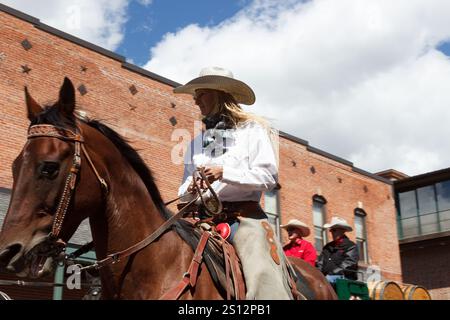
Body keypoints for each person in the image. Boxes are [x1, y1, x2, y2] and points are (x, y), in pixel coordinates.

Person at [174, 66, 293, 300]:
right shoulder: (196, 142)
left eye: (202, 94)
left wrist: (224, 172)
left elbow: (269, 177)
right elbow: (183, 189)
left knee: (262, 277)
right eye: (195, 95)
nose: (196, 101)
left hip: (244, 220)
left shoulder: (252, 131)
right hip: (199, 220)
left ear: (220, 94)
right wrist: (189, 189)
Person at [316, 216, 359, 286]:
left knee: (326, 281)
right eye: (331, 230)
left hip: (345, 278)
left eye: (334, 230)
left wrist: (332, 273)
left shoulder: (351, 246)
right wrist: (317, 274)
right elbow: (320, 263)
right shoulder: (327, 247)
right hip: (325, 278)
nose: (332, 232)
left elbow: (349, 263)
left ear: (342, 230)